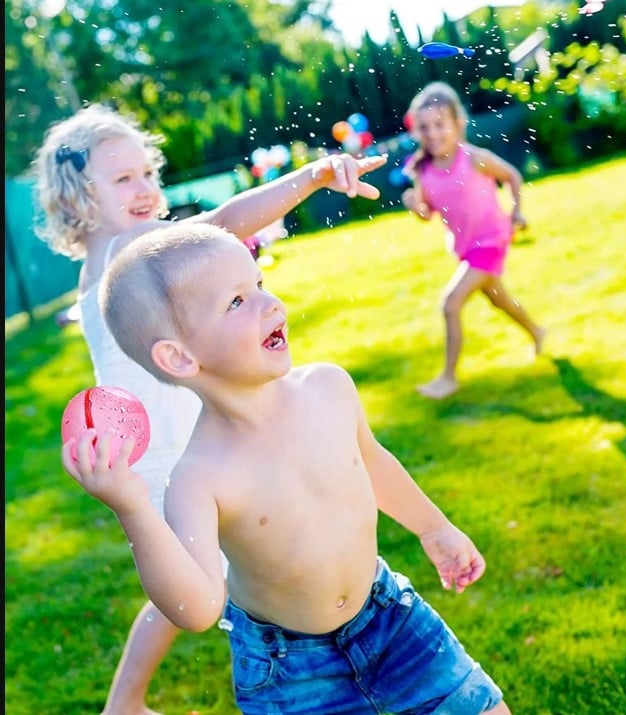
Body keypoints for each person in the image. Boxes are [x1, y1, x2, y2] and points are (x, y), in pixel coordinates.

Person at [61, 223, 512, 715]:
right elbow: (198, 608)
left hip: (388, 617)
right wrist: (132, 508)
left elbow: (373, 462)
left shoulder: (328, 388)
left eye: (258, 284)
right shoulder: (199, 477)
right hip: (288, 668)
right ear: (179, 357)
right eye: (236, 302)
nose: (269, 304)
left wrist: (434, 527)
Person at [34, 103, 387, 715]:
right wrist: (310, 178)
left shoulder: (104, 264)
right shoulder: (127, 248)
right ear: (77, 200)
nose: (146, 189)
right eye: (123, 180)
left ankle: (129, 701)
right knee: (213, 580)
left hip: (171, 452)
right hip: (177, 461)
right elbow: (221, 226)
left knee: (210, 577)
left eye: (147, 173)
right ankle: (297, 652)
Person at [401, 81, 546, 400]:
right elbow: (427, 213)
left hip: (492, 239)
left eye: (440, 125)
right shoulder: (421, 171)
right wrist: (415, 207)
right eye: (425, 127)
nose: (433, 133)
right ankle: (537, 331)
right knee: (499, 299)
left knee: (450, 304)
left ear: (458, 124)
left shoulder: (474, 158)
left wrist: (517, 211)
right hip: (466, 247)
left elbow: (512, 175)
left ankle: (449, 378)